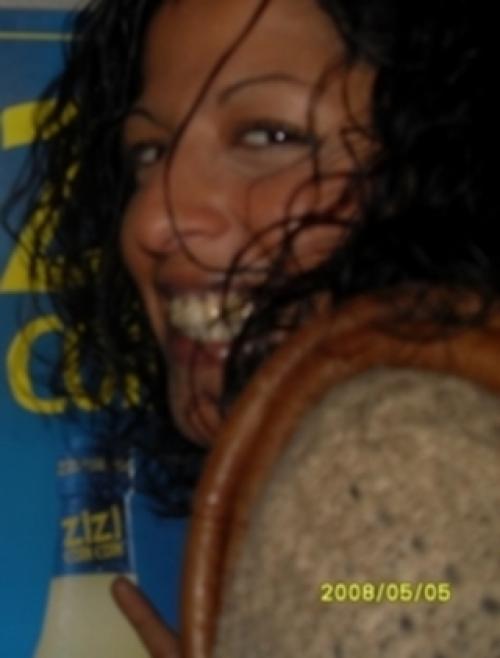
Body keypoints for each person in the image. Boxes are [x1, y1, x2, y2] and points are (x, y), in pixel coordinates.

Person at [5, 0, 500, 655]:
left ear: (443, 163)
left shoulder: (393, 449)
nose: (152, 218)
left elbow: (406, 592)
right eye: (149, 151)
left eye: (269, 137)